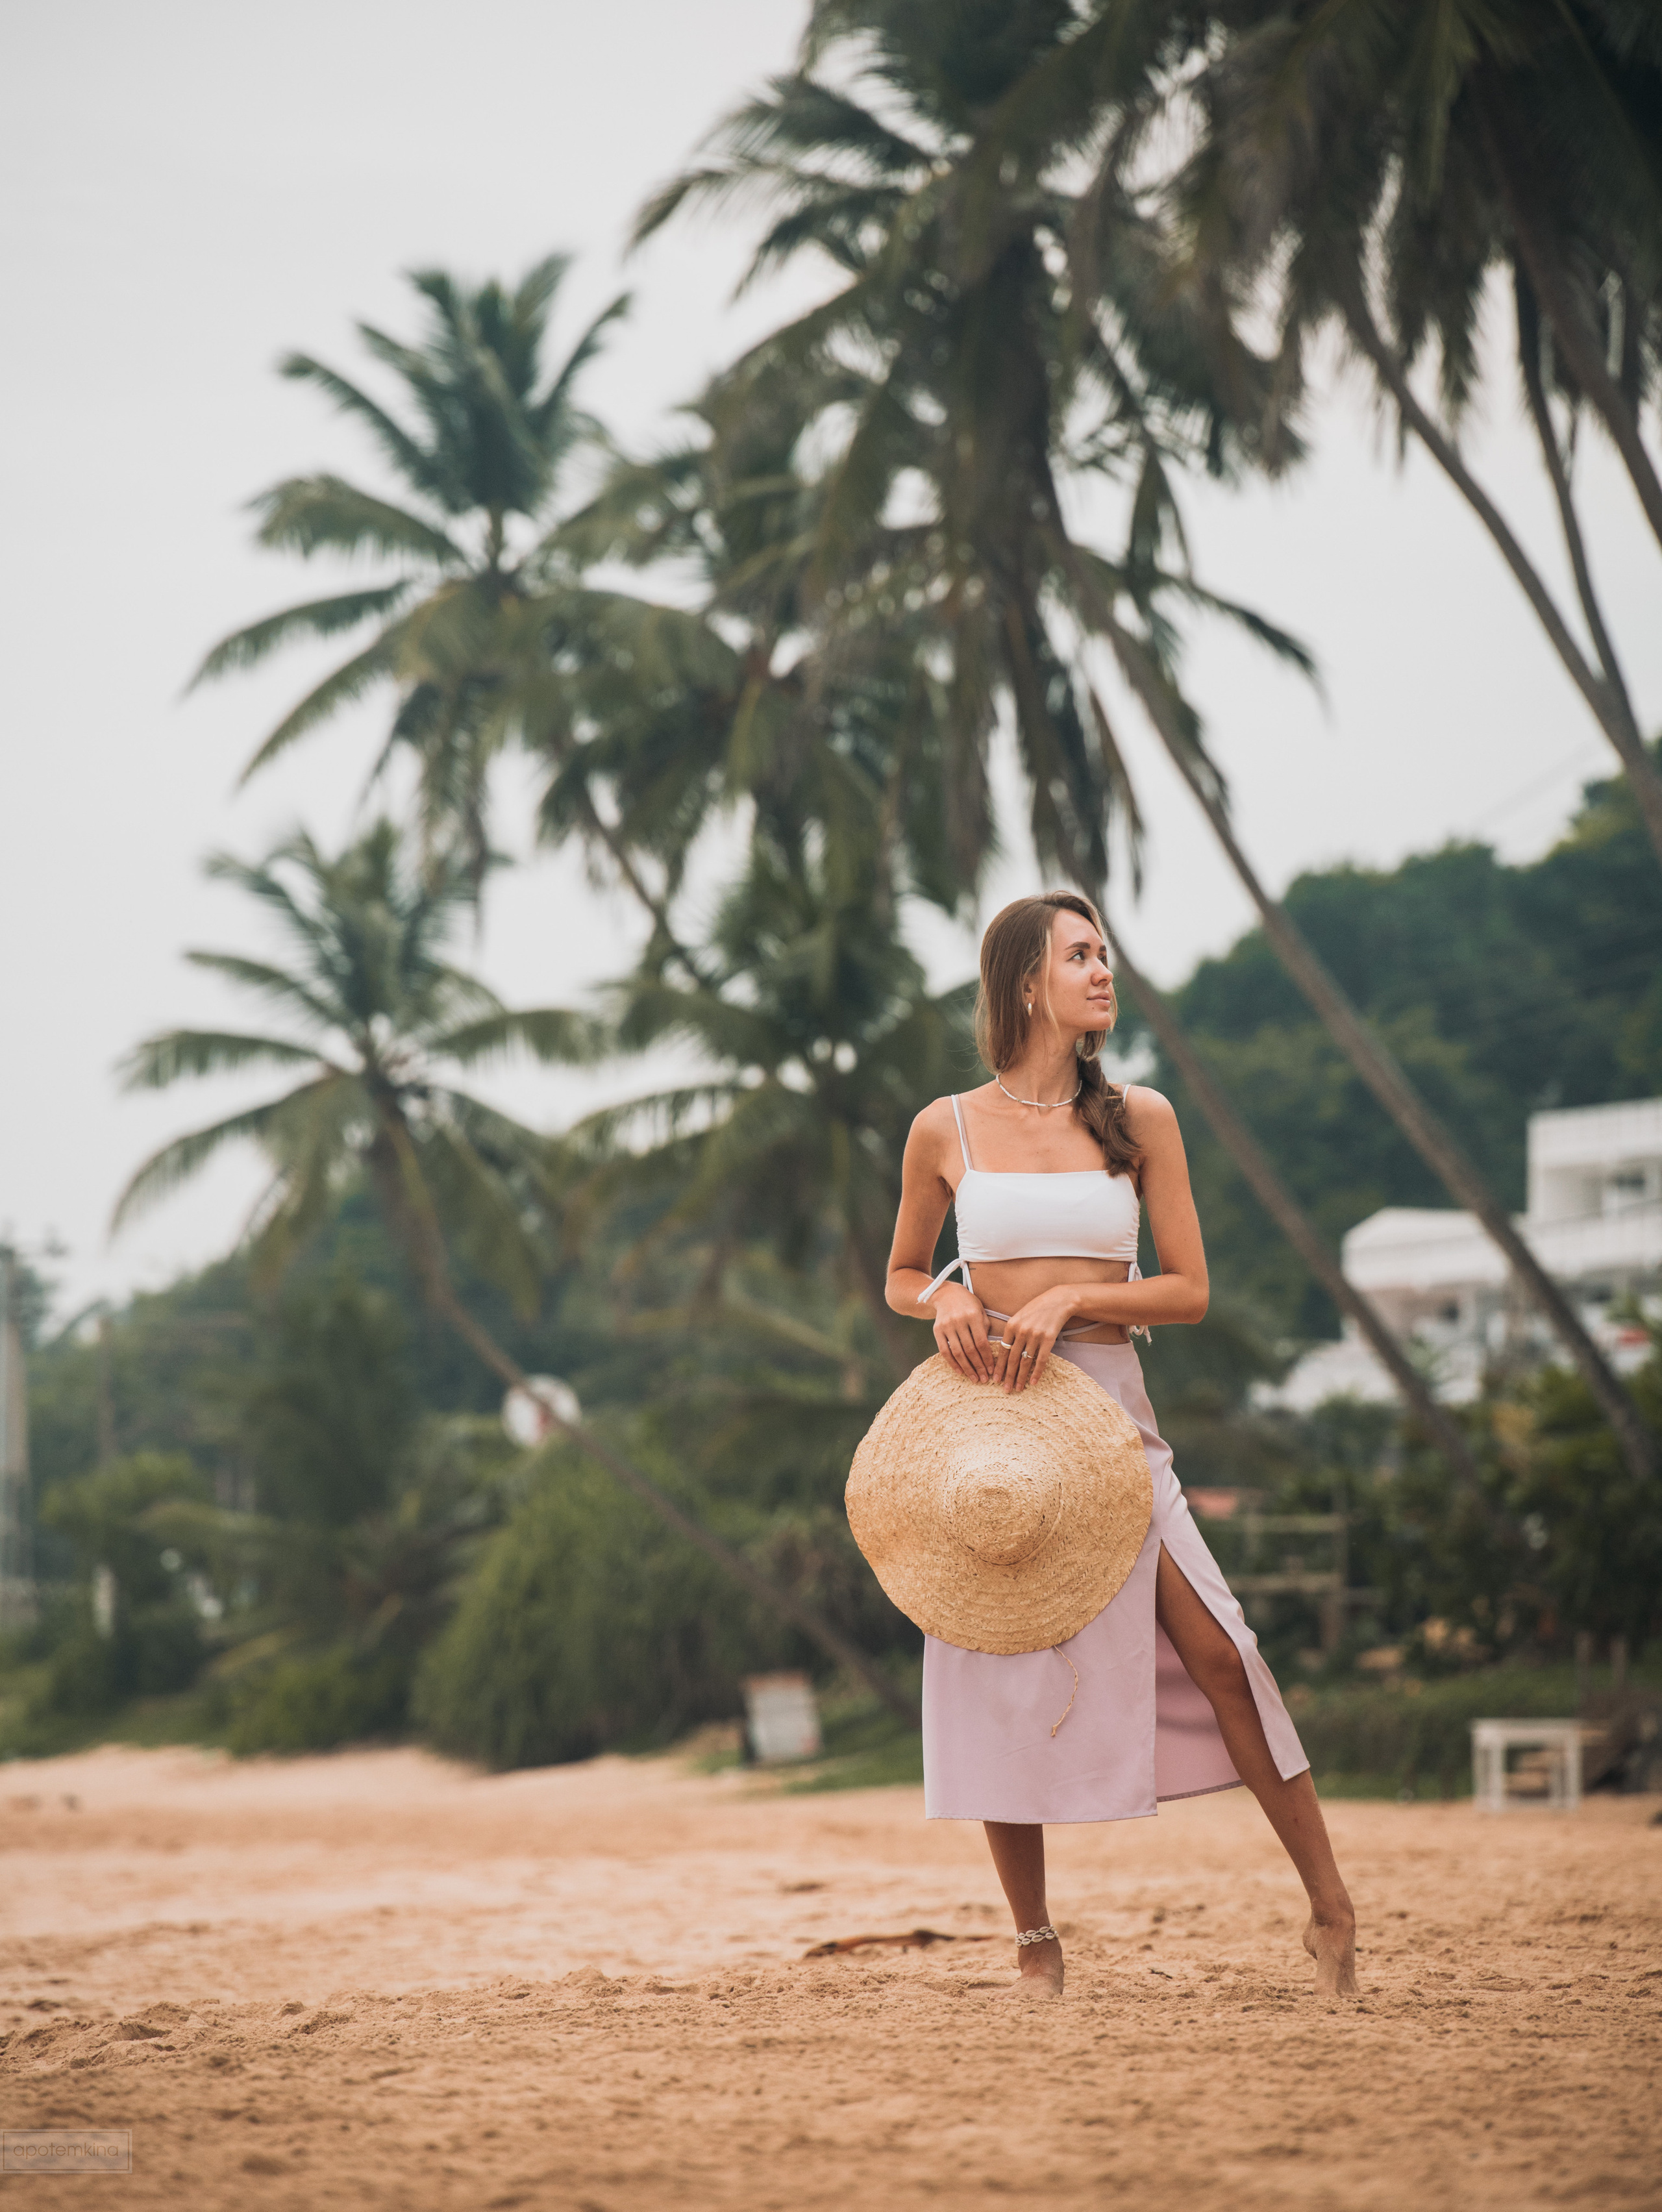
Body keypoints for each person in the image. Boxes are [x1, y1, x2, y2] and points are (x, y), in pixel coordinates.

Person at [884, 891, 1357, 2001]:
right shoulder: (942, 1126)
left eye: (1105, 953)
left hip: (1112, 1415)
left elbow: (1189, 1290)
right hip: (992, 1428)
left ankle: (1331, 1909)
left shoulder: (1140, 1117)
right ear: (1024, 984)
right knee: (994, 1668)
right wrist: (941, 1305)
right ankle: (1035, 1943)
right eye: (1080, 955)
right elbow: (902, 1272)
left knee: (1222, 1653)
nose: (1104, 972)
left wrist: (1066, 1300)